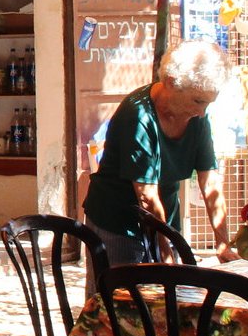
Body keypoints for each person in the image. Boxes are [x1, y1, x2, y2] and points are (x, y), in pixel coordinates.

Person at [83, 40, 235, 265]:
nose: (202, 112)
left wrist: (223, 243)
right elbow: (146, 194)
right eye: (198, 101)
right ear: (171, 83)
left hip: (164, 220)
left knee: (170, 295)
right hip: (118, 223)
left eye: (207, 104)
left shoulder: (196, 115)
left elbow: (209, 178)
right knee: (118, 296)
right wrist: (164, 254)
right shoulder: (138, 116)